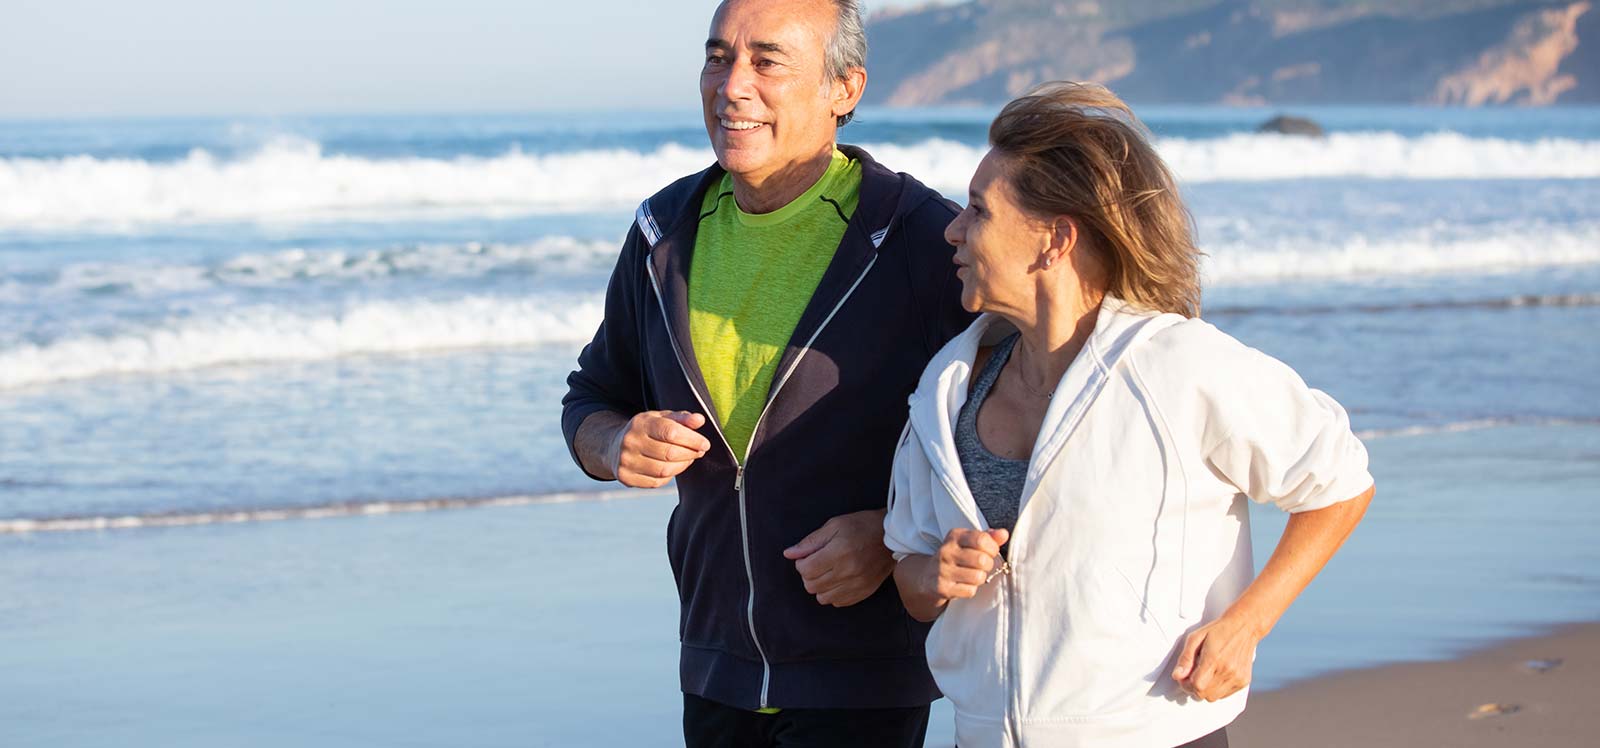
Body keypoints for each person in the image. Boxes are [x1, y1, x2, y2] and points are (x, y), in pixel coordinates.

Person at [883, 82, 1376, 748]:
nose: (953, 229)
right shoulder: (947, 387)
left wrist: (1247, 624)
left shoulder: (1177, 366)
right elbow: (910, 574)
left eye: (978, 210)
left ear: (1054, 238)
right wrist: (936, 573)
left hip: (1152, 732)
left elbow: (1338, 480)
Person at [560, 0, 972, 745]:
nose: (732, 85)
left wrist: (892, 536)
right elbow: (593, 396)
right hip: (714, 662)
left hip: (862, 676)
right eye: (718, 57)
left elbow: (1019, 433)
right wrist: (615, 443)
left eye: (766, 61)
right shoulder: (663, 232)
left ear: (844, 88)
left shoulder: (920, 236)